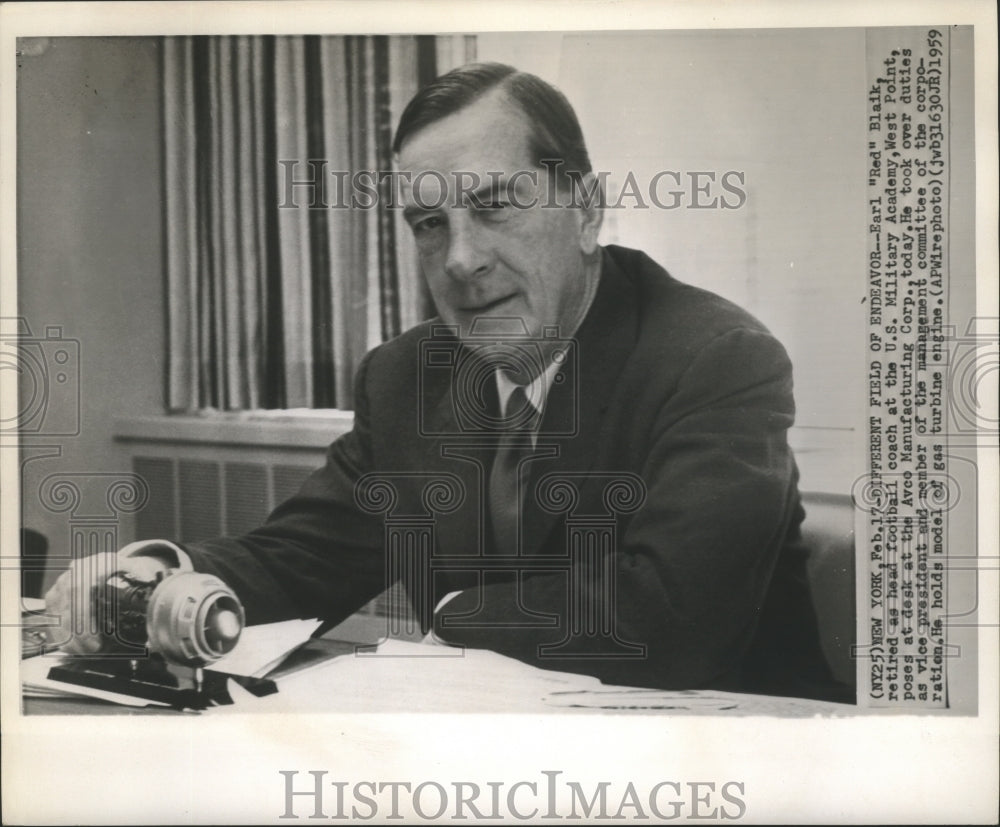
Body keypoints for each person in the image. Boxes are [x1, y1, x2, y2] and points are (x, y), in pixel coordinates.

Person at [45, 62, 847, 702]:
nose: (461, 259)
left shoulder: (716, 355)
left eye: (494, 206)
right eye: (430, 225)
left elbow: (674, 622)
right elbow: (301, 559)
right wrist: (159, 579)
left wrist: (456, 615)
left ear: (588, 211)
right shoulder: (407, 377)